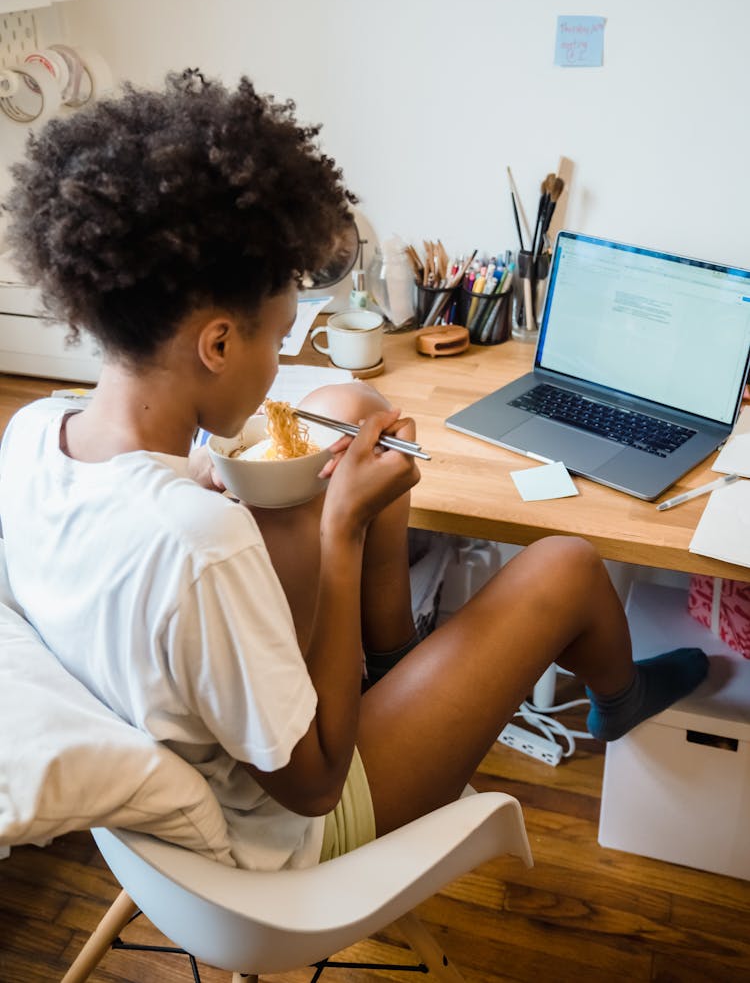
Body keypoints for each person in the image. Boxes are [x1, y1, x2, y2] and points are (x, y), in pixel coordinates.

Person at [0, 71, 709, 870]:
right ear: (218, 344)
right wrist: (340, 531)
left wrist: (205, 468)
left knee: (349, 403)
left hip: (169, 722)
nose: (279, 365)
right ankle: (622, 700)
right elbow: (316, 785)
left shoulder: (30, 434)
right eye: (276, 340)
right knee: (568, 566)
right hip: (285, 828)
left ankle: (393, 659)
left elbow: (155, 525)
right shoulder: (202, 544)